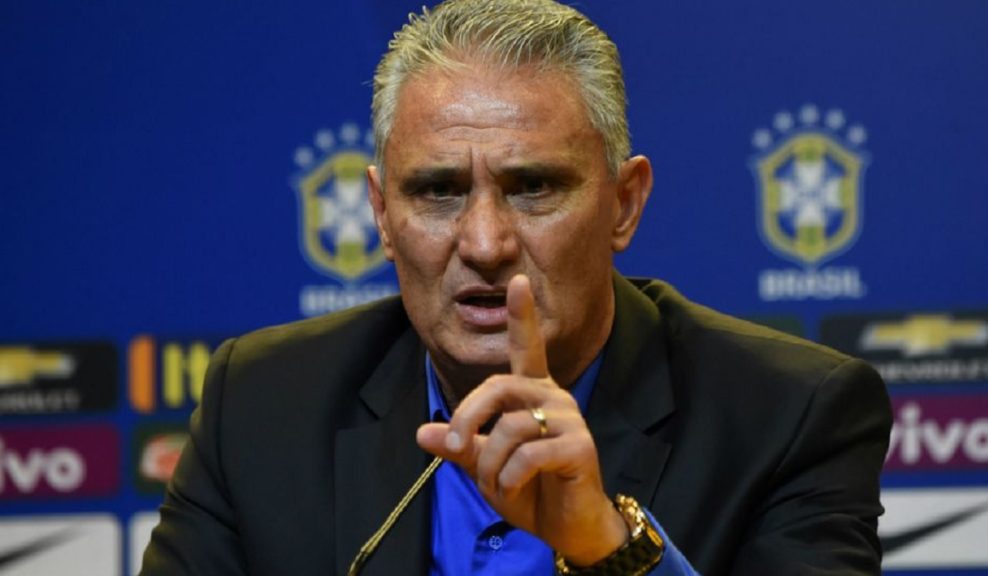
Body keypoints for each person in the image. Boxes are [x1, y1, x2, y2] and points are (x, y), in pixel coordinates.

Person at [141, 0, 892, 574]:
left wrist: (609, 546)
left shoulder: (788, 415)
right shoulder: (262, 406)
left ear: (624, 204)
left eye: (533, 187)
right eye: (437, 191)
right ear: (381, 214)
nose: (484, 244)